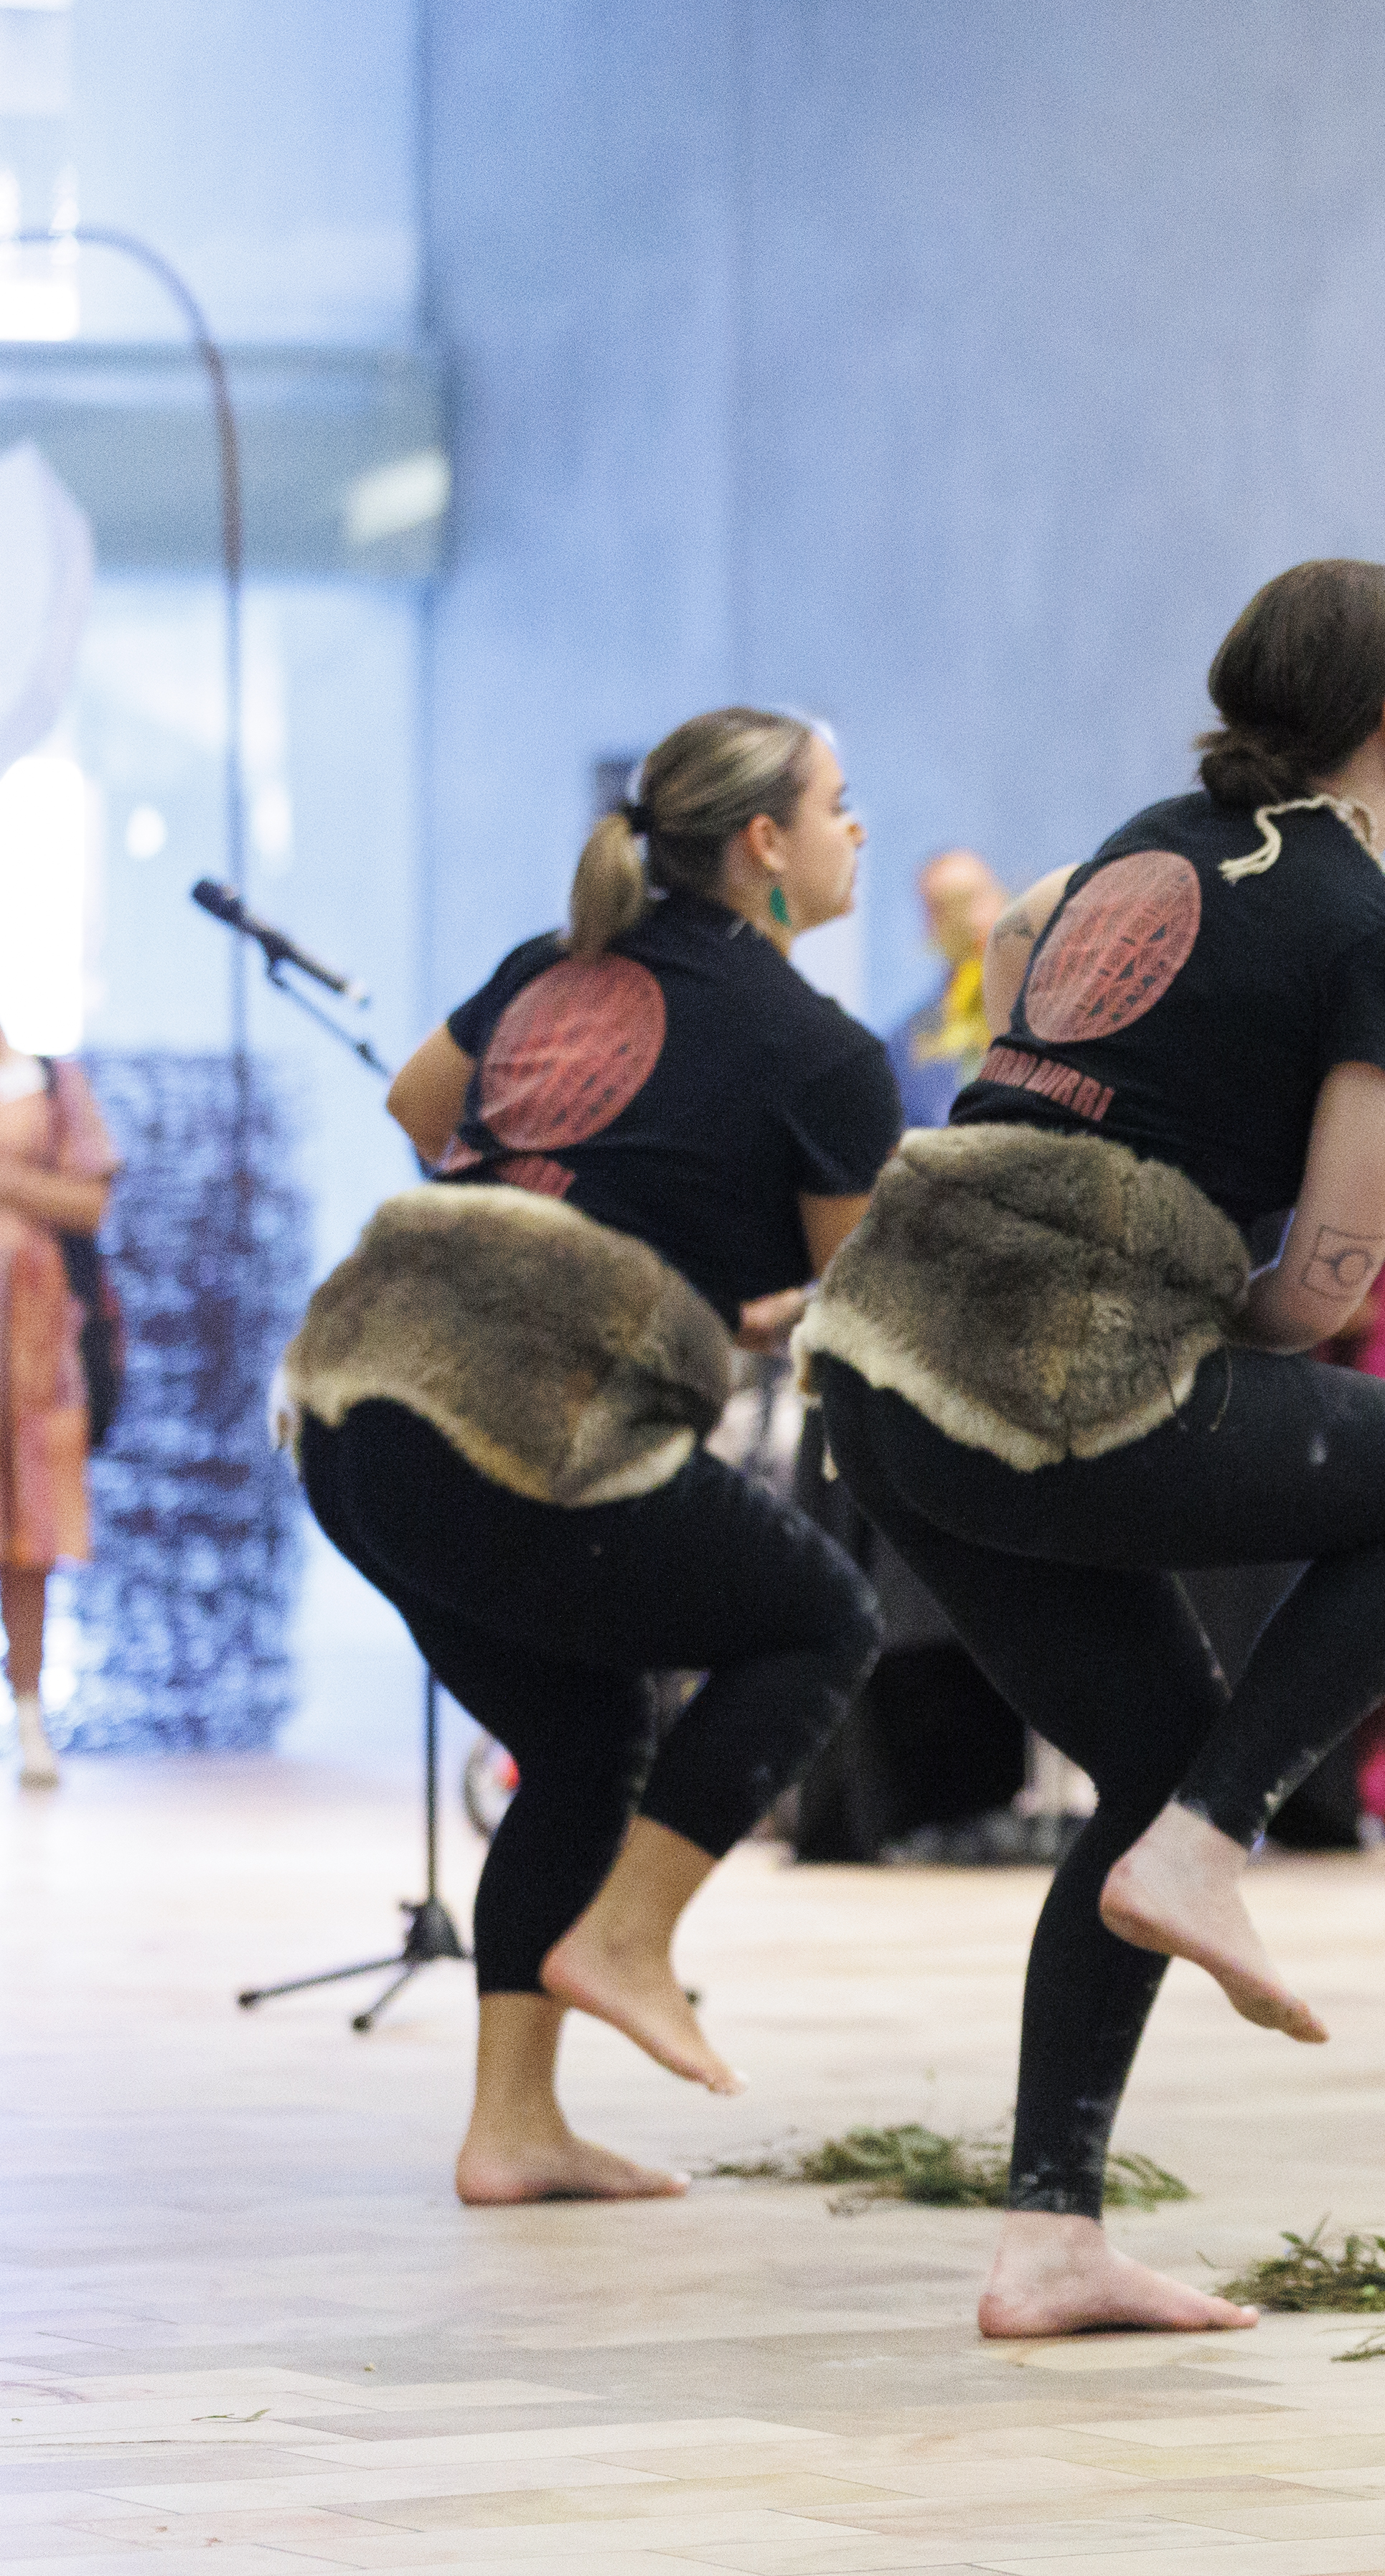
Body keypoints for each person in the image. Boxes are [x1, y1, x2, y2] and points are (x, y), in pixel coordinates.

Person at [802, 560, 1385, 2337]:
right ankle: (1216, 1837)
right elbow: (1332, 1281)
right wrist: (1213, 1318)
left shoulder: (1149, 834)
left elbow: (1021, 932)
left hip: (885, 1359)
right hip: (1055, 1373)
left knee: (1139, 1750)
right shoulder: (1373, 929)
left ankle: (1050, 2235)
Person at [284, 706, 892, 2201]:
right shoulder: (821, 1054)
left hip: (352, 1405)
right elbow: (852, 1307)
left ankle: (512, 2131)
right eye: (838, 803)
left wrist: (580, 1209)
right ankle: (628, 1936)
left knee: (579, 1729)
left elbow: (420, 1106)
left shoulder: (551, 970)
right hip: (515, 1430)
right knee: (822, 1619)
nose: (854, 829)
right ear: (765, 844)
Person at [0, 1028, 113, 1789]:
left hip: (33, 1347)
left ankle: (32, 1710)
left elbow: (91, 1202)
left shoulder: (50, 1080)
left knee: (29, 1535)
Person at [891, 847, 1010, 1127]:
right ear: (930, 924)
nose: (972, 920)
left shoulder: (1045, 1021)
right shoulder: (906, 1045)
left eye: (977, 897)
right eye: (950, 906)